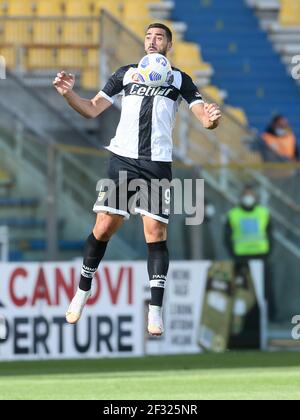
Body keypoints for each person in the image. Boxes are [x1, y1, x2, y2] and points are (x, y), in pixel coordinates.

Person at [53, 22, 222, 336]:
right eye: (148, 36)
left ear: (169, 44)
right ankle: (82, 291)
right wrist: (68, 95)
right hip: (124, 158)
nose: (152, 40)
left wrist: (211, 121)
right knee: (103, 228)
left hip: (157, 163)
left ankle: (155, 311)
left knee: (155, 233)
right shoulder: (125, 74)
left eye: (159, 36)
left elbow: (203, 118)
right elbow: (91, 110)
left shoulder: (179, 79)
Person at [224, 185, 275, 319]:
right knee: (242, 289)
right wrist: (234, 254)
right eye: (246, 194)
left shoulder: (263, 213)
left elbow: (270, 235)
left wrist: (267, 253)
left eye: (250, 194)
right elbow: (227, 237)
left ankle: (270, 316)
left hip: (261, 256)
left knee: (265, 288)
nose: (248, 198)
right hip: (241, 258)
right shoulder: (233, 214)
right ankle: (244, 317)